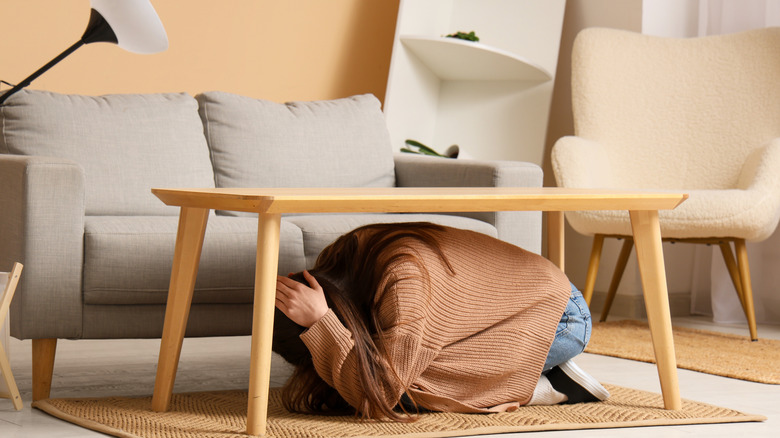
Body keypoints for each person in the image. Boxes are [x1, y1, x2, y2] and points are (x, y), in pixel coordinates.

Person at [273, 222, 608, 421]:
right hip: (520, 305)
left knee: (396, 386)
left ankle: (538, 385)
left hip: (560, 317)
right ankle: (526, 373)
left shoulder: (403, 285)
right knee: (382, 366)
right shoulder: (343, 263)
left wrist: (321, 323)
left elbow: (377, 395)